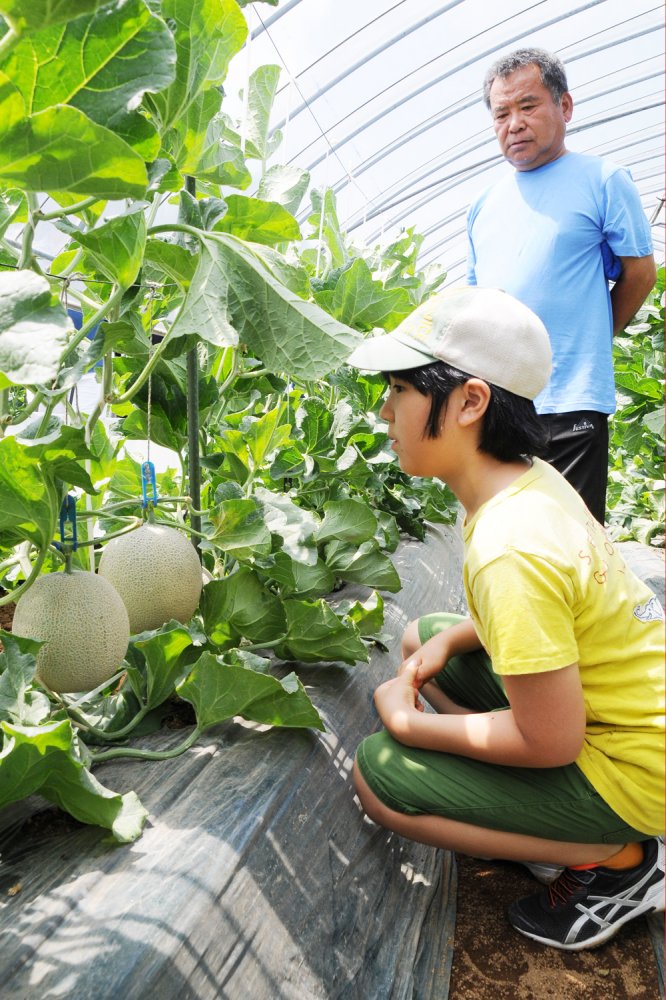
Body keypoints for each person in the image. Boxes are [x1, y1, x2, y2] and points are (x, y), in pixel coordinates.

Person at [347, 285, 665, 952]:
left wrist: (410, 725)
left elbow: (552, 742)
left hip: (634, 770)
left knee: (382, 776)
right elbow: (560, 618)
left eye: (399, 390)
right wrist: (455, 640)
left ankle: (618, 861)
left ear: (470, 401)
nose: (384, 411)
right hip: (633, 724)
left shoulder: (509, 546)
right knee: (428, 638)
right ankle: (548, 822)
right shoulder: (531, 481)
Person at [466, 47, 657, 524]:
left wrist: (595, 338)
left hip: (571, 400)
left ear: (564, 106)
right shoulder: (484, 204)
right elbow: (478, 302)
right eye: (501, 114)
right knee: (507, 534)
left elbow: (640, 273)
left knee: (572, 539)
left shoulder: (604, 180)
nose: (514, 124)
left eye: (528, 106)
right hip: (501, 403)